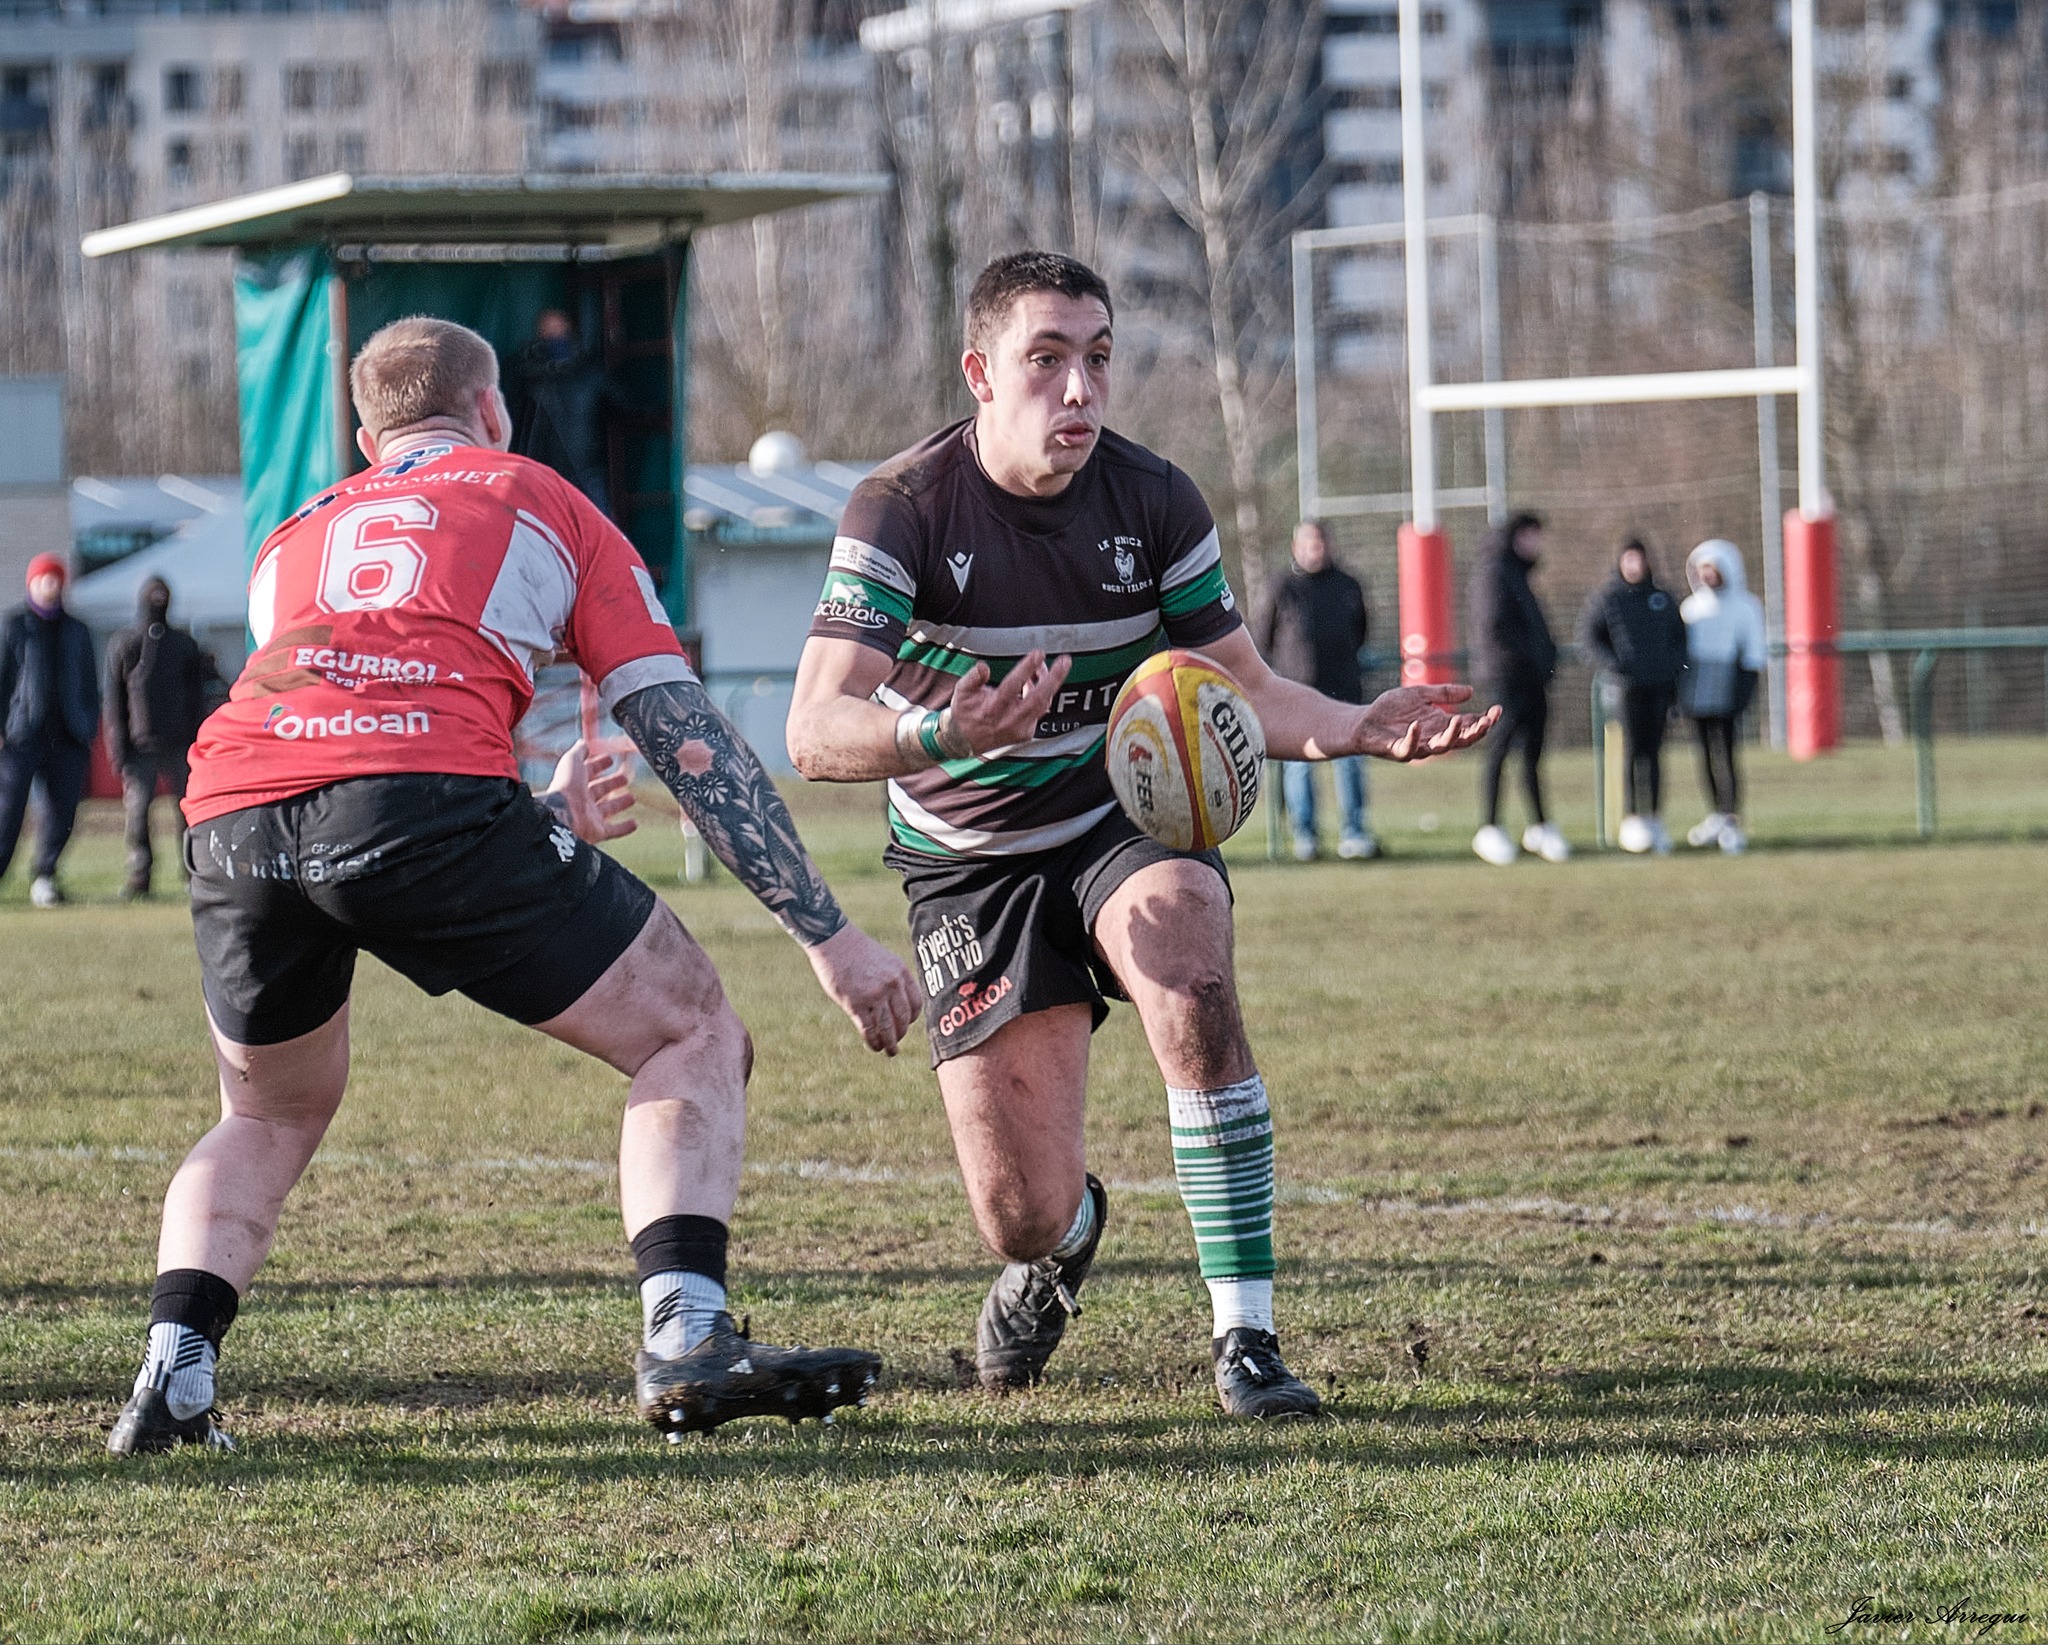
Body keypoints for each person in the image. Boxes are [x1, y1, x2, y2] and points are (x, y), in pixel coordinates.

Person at [108, 317, 920, 1456]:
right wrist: (830, 937)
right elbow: (684, 737)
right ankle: (687, 1332)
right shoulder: (537, 495)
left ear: (363, 437)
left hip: (232, 813)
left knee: (266, 1108)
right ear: (490, 412)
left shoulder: (289, 538)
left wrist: (531, 818)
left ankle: (171, 1379)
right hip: (417, 798)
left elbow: (331, 747)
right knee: (690, 1028)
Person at [786, 252, 1495, 1420]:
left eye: (1098, 358)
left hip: (1120, 819)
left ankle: (1246, 1337)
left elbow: (1242, 687)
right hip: (967, 857)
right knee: (1016, 1209)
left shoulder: (1155, 499)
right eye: (1046, 360)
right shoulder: (902, 508)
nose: (1079, 388)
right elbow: (814, 728)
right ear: (979, 373)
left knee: (1186, 958)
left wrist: (1357, 727)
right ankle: (1061, 1244)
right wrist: (940, 729)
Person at [1252, 520, 1377, 861]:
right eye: (1309, 543)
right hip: (1296, 694)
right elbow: (1263, 638)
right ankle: (1305, 837)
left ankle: (1355, 834)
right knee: (1299, 766)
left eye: (1321, 542)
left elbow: (1361, 631)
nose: (1315, 549)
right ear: (1296, 546)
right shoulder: (1282, 586)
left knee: (1350, 763)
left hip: (1344, 690)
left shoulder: (1349, 585)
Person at [102, 575, 223, 898]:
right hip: (140, 747)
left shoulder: (184, 645)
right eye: (153, 595)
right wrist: (119, 750)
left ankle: (191, 876)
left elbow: (197, 698)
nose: (158, 601)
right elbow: (114, 703)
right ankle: (140, 877)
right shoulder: (126, 643)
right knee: (138, 815)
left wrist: (200, 745)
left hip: (180, 745)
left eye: (163, 595)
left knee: (188, 813)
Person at [0, 552, 100, 907]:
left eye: (57, 579)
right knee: (8, 811)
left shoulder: (78, 630)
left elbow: (90, 682)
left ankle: (45, 876)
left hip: (69, 736)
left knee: (61, 813)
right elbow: (3, 681)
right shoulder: (14, 626)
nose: (51, 586)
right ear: (32, 582)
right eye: (45, 579)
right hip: (22, 736)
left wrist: (88, 724)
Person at [1468, 512, 1568, 866]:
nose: (1536, 544)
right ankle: (1490, 827)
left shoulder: (1519, 575)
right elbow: (1496, 627)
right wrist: (1529, 659)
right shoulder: (1495, 572)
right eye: (1530, 536)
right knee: (1500, 749)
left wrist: (1546, 657)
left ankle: (1539, 825)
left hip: (1531, 678)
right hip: (1507, 679)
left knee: (1532, 755)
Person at [1577, 538, 1688, 855]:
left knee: (1653, 753)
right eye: (1628, 560)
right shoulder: (1608, 599)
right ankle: (1631, 819)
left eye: (1638, 560)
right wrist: (1615, 665)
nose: (1634, 566)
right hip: (1625, 690)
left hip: (1659, 688)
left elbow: (1680, 641)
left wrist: (1670, 670)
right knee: (1628, 752)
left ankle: (1654, 818)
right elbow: (1589, 638)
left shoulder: (1662, 598)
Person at [1680, 537, 1768, 856]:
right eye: (1702, 568)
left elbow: (1753, 651)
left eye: (1713, 567)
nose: (1707, 574)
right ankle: (1715, 815)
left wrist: (1744, 690)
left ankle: (1731, 818)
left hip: (1730, 684)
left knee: (1727, 753)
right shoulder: (1691, 608)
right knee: (1704, 754)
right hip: (1696, 686)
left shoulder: (1746, 606)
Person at [509, 308, 618, 515]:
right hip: (566, 466)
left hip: (564, 466)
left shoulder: (528, 372)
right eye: (549, 328)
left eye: (556, 326)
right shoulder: (529, 374)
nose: (553, 333)